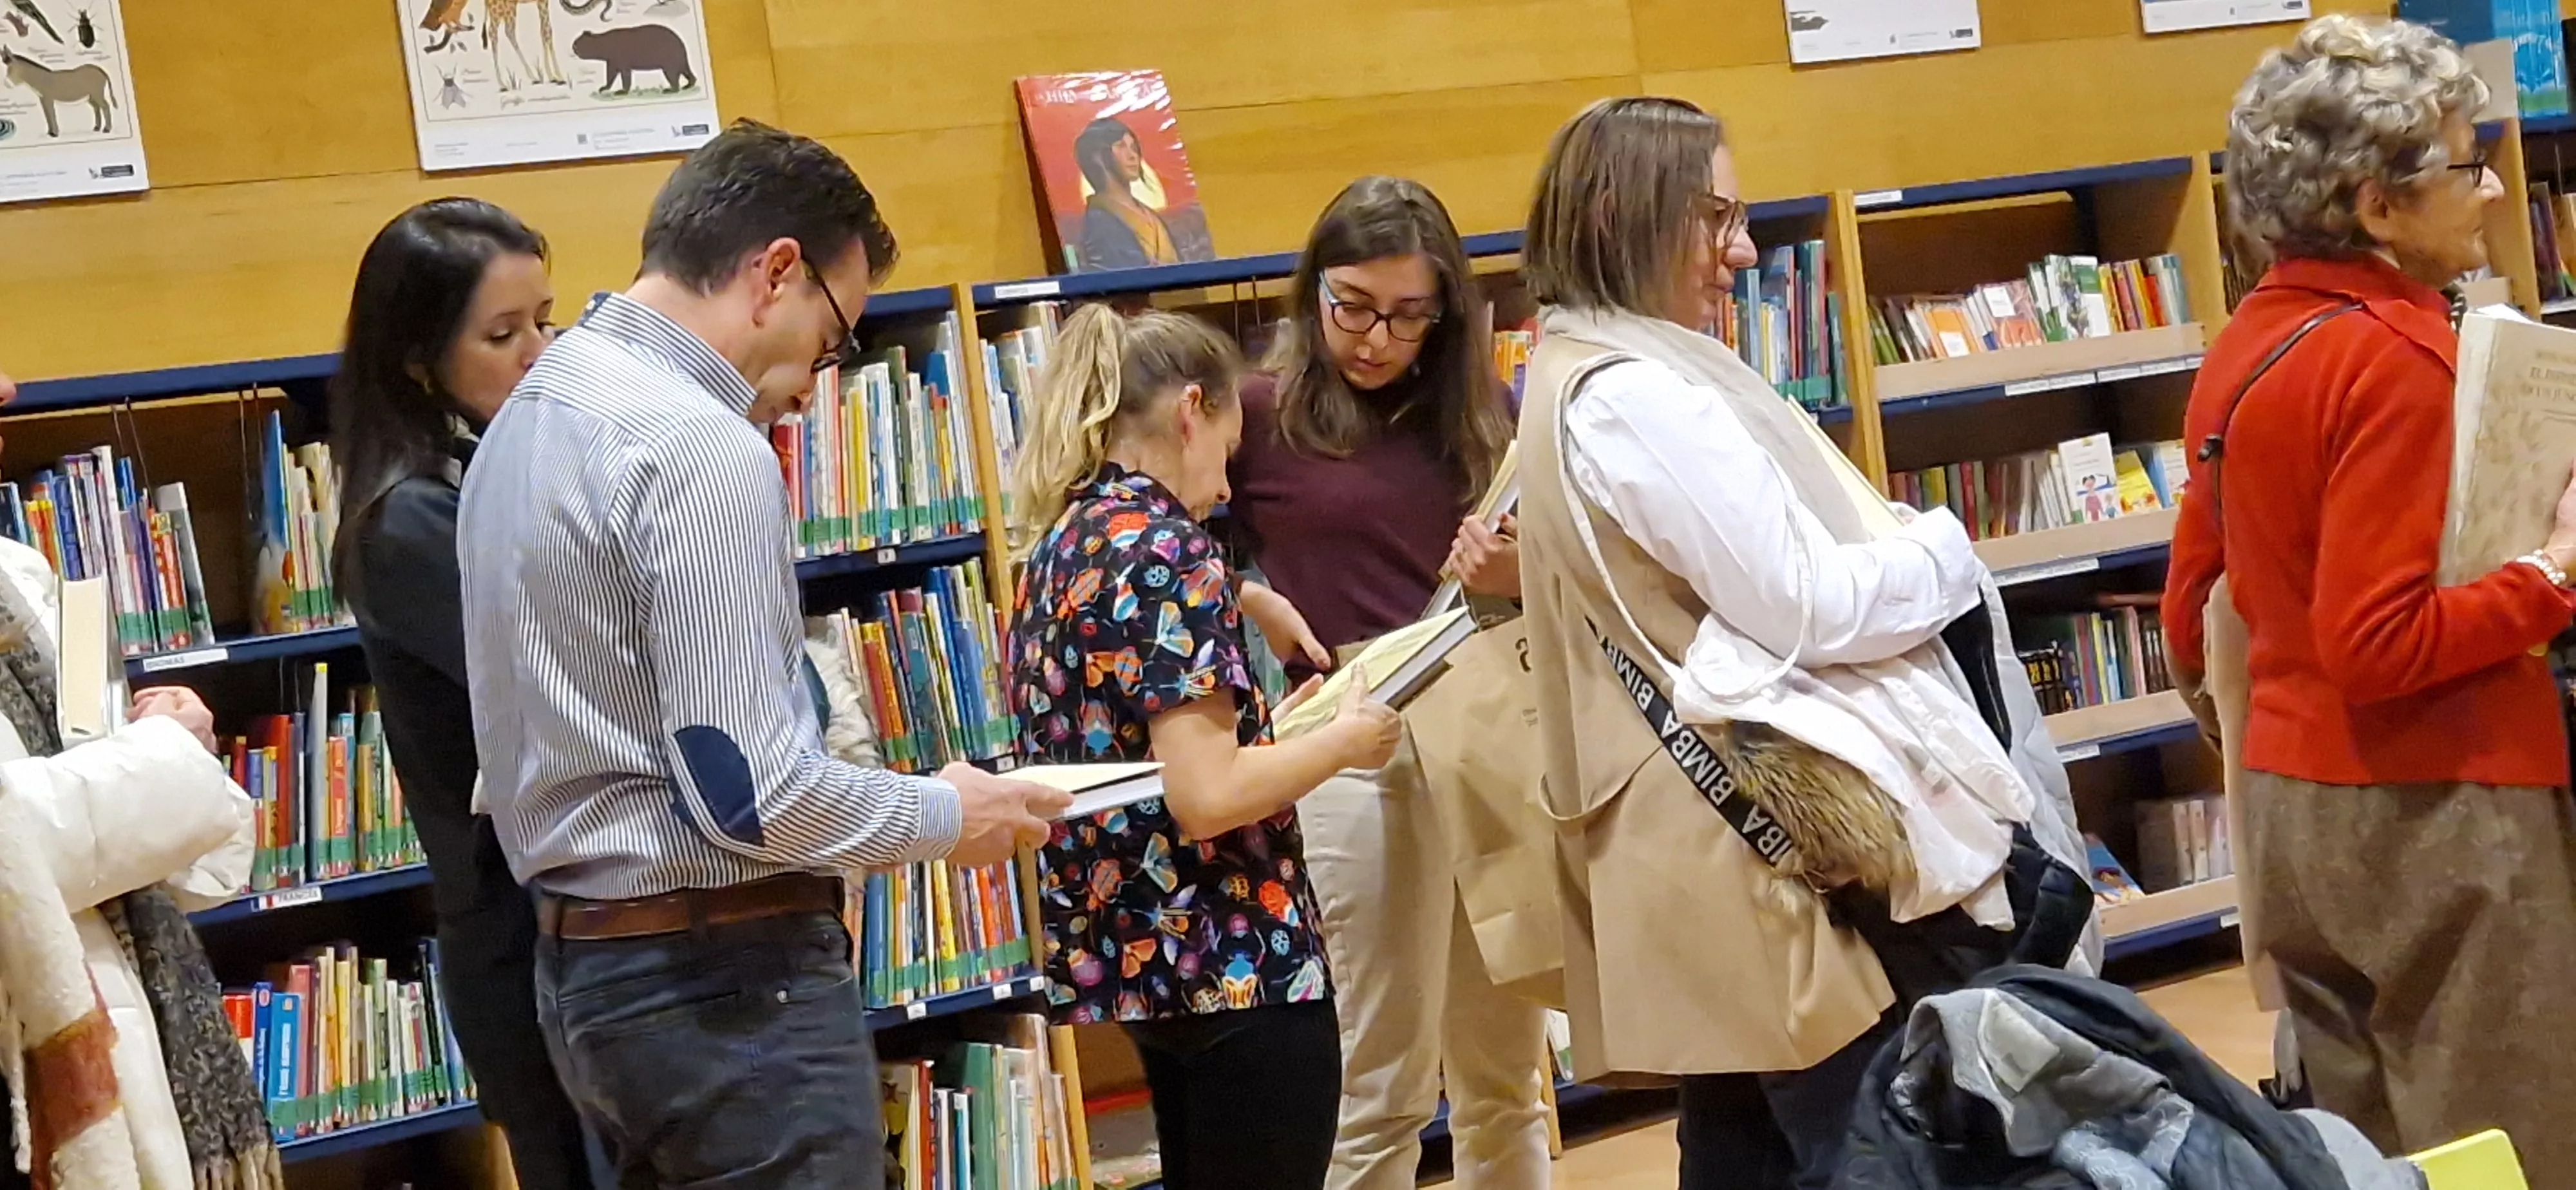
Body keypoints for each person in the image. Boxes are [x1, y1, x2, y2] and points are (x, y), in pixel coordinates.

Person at [455, 120, 1068, 1189]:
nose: (815, 380)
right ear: (775, 271)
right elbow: (747, 795)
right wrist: (947, 813)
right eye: (832, 340)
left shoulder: (530, 415)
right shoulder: (696, 445)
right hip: (723, 983)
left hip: (585, 973)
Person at [1510, 97, 2089, 1190]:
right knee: (1876, 1144)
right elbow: (1807, 604)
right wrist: (1947, 550)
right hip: (1777, 863)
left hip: (1713, 850)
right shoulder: (1635, 394)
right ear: (1614, 210)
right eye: (1715, 214)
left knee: (1747, 1147)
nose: (1744, 248)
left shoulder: (1577, 371)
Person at [2161, 15, 2576, 1184]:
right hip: (2438, 809)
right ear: (2374, 203)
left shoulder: (2248, 338)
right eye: (2464, 163)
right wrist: (2550, 574)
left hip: (2294, 813)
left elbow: (2192, 602)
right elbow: (2380, 642)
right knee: (2506, 1147)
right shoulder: (2395, 356)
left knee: (2365, 1155)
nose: (2494, 189)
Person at [1004, 303, 1403, 1190]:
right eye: (1227, 450)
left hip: (1143, 959)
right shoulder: (1168, 554)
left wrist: (1254, 624)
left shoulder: (1066, 541)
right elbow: (1210, 795)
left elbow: (1153, 744)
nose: (1226, 488)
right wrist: (1346, 740)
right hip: (1233, 959)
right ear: (1192, 410)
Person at [1220, 176, 1549, 1190]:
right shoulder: (1258, 413)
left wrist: (1515, 573)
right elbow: (1153, 548)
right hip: (1347, 752)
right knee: (1382, 1083)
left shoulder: (1484, 410)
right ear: (1311, 289)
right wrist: (1246, 592)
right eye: (1351, 305)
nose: (1373, 338)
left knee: (1506, 1079)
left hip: (1483, 733)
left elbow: (1556, 578)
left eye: (1409, 316)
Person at [327, 198, 598, 1190]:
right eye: (502, 334)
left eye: (547, 321)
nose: (541, 353)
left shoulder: (489, 466)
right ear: (416, 359)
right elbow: (568, 682)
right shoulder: (407, 520)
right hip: (525, 938)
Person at [0, 373, 278, 1190]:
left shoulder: (26, 573)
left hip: (133, 1026)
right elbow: (18, 845)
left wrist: (174, 749)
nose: (8, 390)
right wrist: (168, 757)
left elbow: (201, 857)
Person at [1074, 116, 1212, 270]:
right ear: (1097, 157)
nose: (1133, 156)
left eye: (1134, 148)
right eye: (1121, 146)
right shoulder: (1100, 221)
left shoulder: (1150, 216)